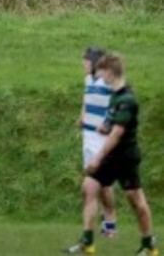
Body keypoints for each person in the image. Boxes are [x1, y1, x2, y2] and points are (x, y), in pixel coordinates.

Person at [65, 52, 158, 256]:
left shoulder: (127, 99)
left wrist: (97, 158)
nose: (99, 75)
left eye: (101, 71)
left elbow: (116, 135)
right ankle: (87, 242)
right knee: (89, 186)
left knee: (136, 201)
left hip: (125, 157)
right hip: (112, 156)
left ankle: (149, 245)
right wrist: (104, 126)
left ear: (110, 72)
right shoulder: (115, 95)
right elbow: (111, 122)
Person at [76, 47, 117, 239]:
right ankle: (102, 224)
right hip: (87, 137)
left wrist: (108, 123)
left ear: (94, 62)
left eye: (85, 60)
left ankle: (110, 221)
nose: (83, 63)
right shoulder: (87, 80)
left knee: (103, 184)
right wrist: (81, 116)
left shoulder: (108, 81)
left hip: (102, 140)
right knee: (94, 183)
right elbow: (86, 100)